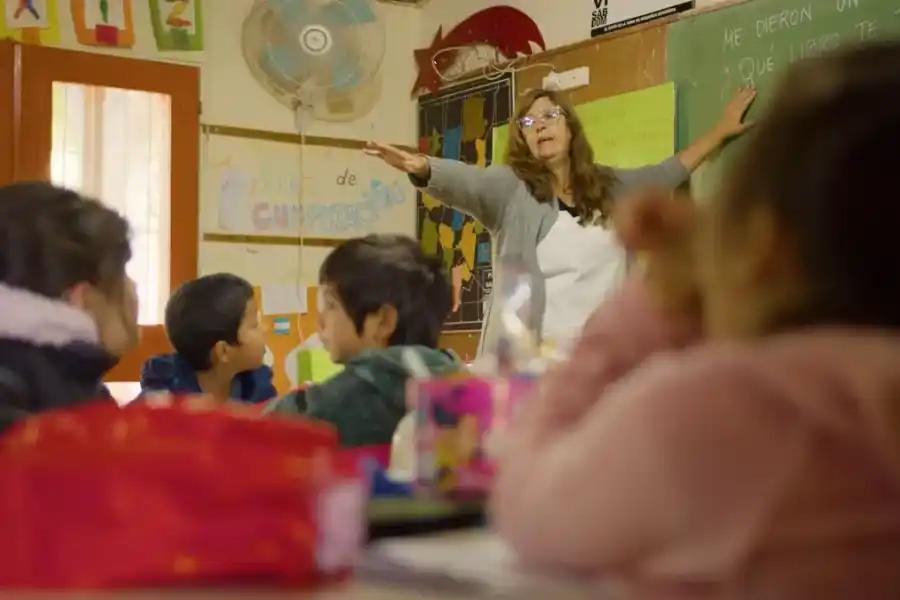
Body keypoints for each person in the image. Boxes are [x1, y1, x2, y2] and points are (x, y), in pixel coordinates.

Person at [491, 42, 900, 599]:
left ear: (760, 250)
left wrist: (653, 305)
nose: (540, 126)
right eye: (530, 121)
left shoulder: (716, 407)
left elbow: (527, 505)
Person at [365, 86, 755, 354]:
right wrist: (422, 166)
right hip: (537, 366)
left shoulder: (610, 186)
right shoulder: (511, 190)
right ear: (523, 140)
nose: (540, 126)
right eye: (528, 123)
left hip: (607, 360)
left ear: (569, 127)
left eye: (549, 116)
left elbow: (666, 173)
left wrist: (720, 131)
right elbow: (468, 182)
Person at [264, 235, 461, 447]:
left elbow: (266, 426)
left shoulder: (370, 386)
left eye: (331, 305)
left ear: (383, 322)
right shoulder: (453, 377)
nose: (321, 320)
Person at [0, 182, 139, 432]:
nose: (132, 287)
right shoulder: (15, 396)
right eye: (121, 274)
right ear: (80, 298)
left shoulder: (71, 375)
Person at [140, 273, 276, 404]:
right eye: (254, 325)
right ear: (223, 351)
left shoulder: (258, 388)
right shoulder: (161, 402)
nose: (266, 328)